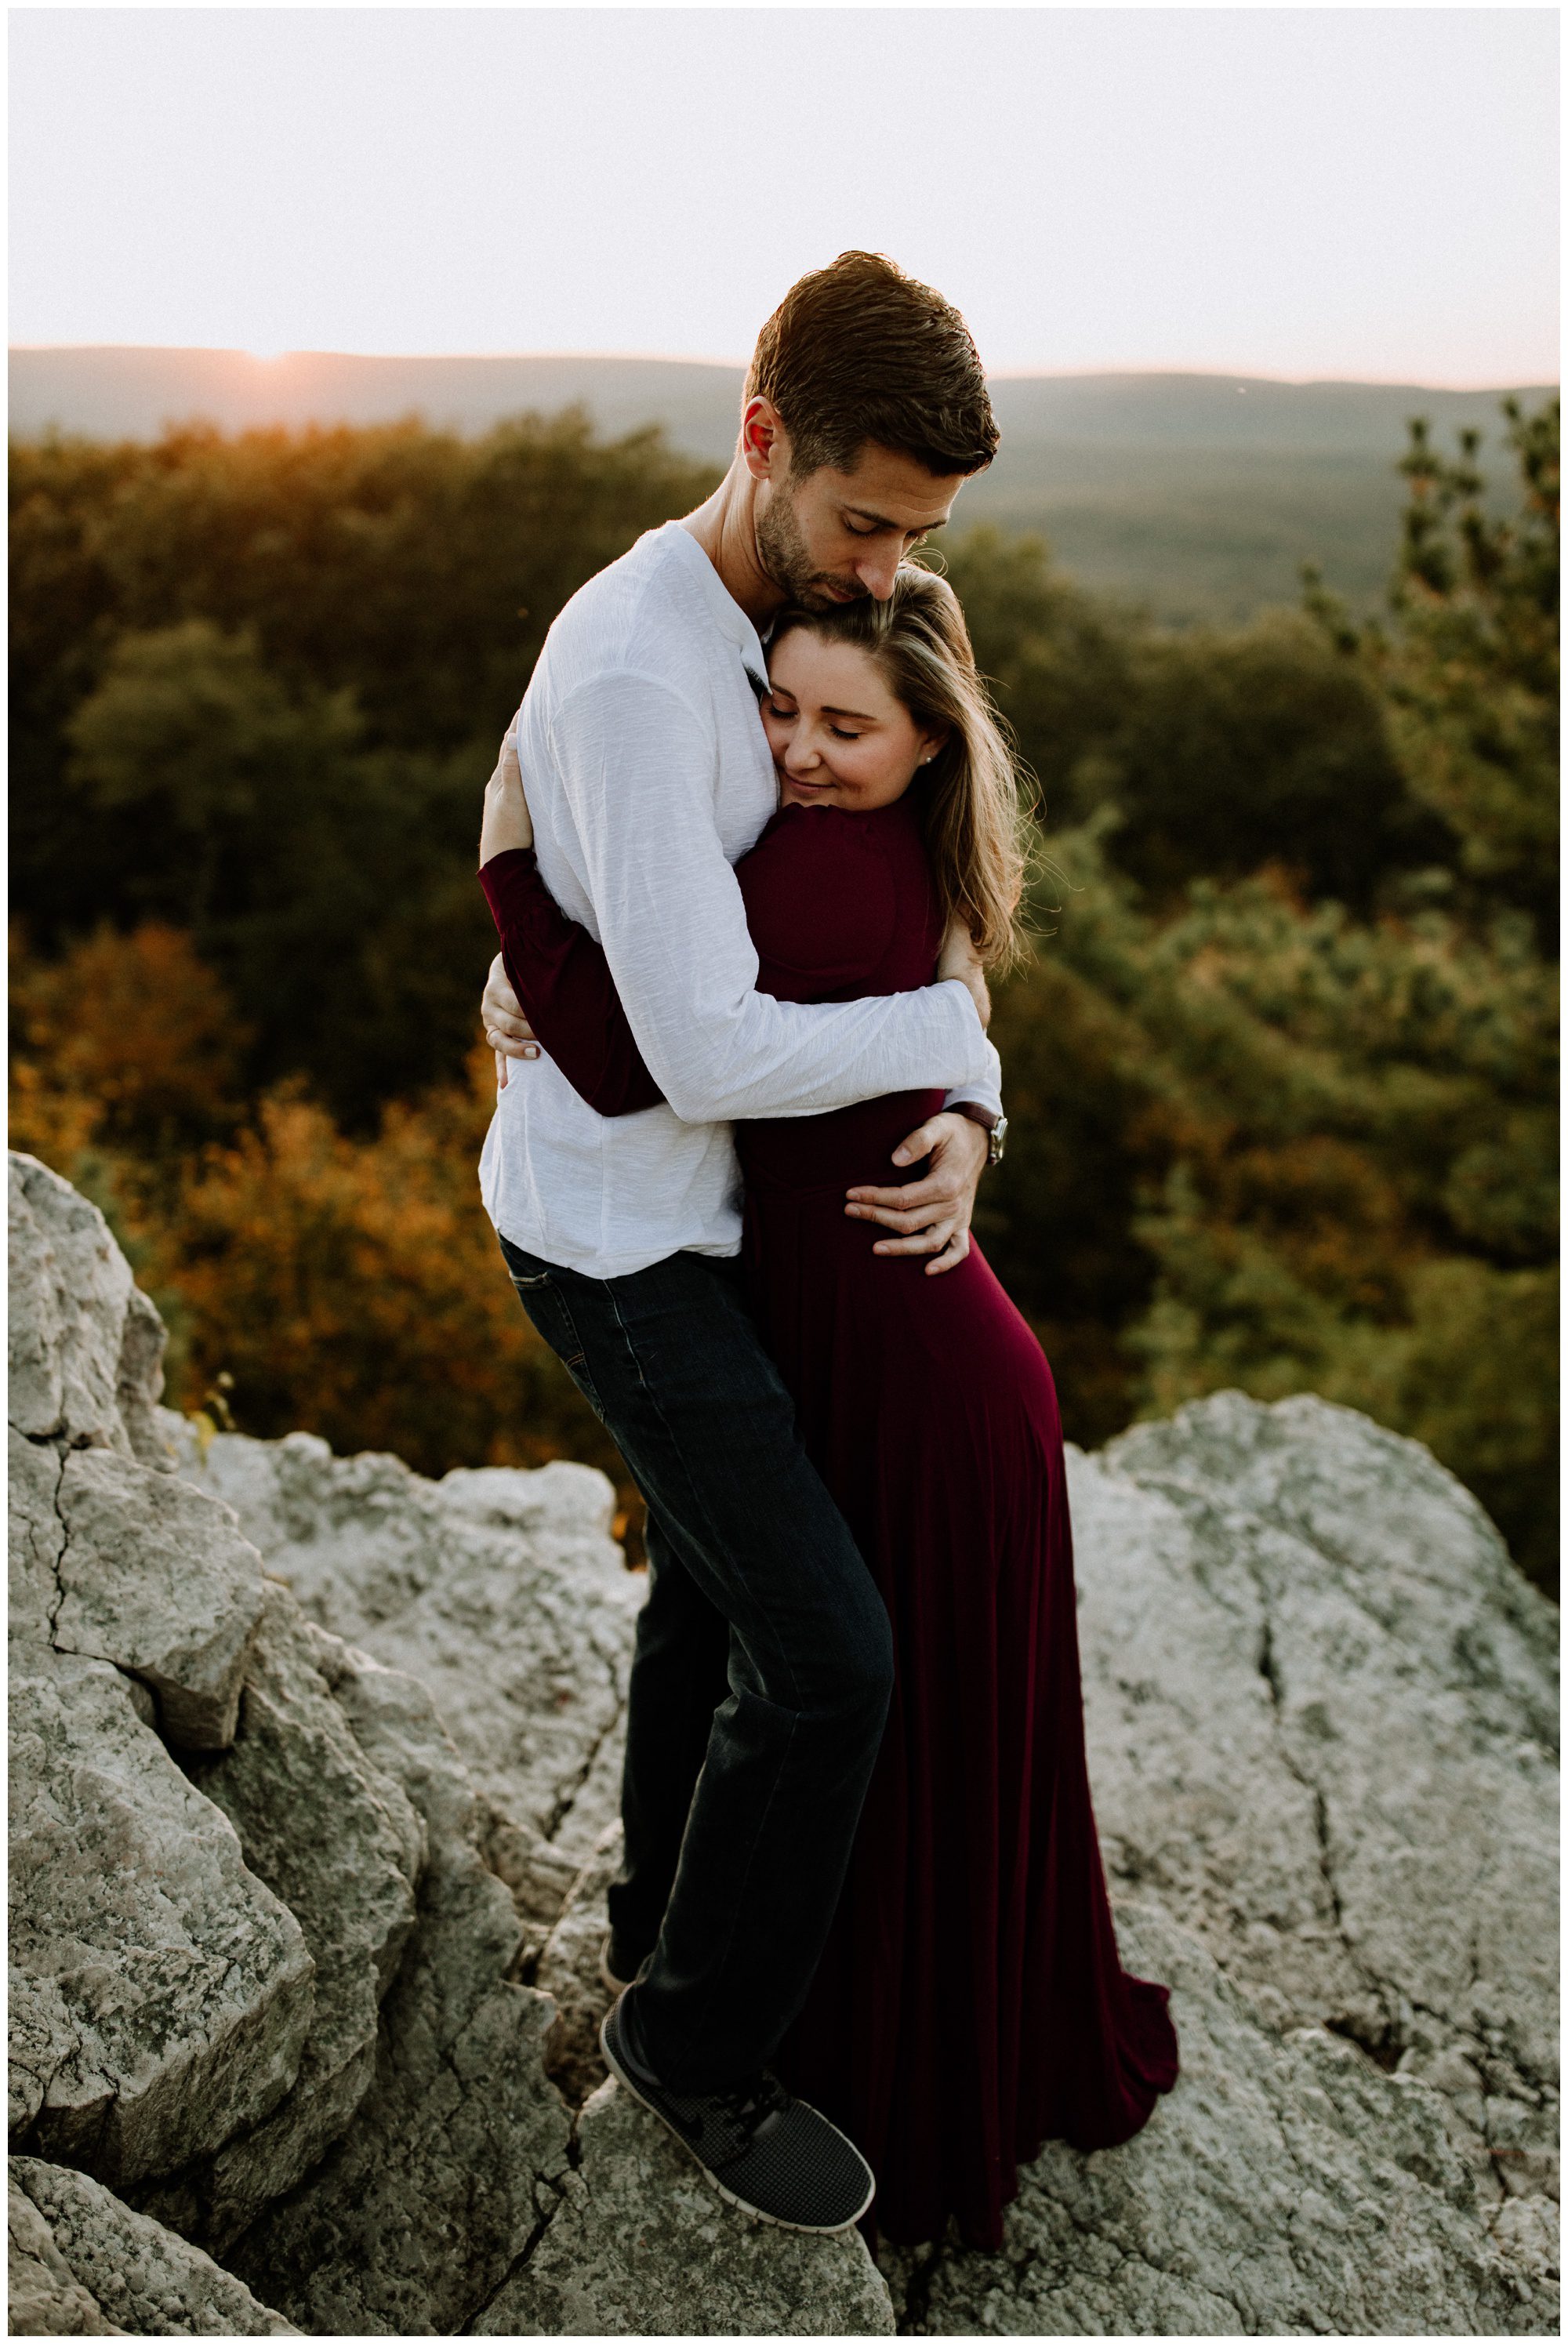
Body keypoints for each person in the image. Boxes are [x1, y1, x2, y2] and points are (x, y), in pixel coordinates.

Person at [479, 564, 1178, 2250]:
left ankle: (714, 2011)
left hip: (913, 1367)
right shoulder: (902, 859)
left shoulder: (810, 872)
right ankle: (712, 1955)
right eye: (778, 707)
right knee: (748, 1627)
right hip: (876, 1339)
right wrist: (964, 1073)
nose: (794, 747)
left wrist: (510, 878)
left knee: (813, 1656)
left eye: (844, 723)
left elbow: (652, 1045)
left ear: (932, 741)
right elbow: (913, 993)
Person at [474, 252, 1011, 2237]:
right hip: (622, 1241)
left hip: (722, 1220)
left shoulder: (792, 618)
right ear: (761, 439)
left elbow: (932, 858)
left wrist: (969, 1099)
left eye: (921, 533)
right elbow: (695, 1048)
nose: (885, 570)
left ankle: (650, 1930)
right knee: (829, 1652)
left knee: (706, 1609)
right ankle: (696, 2048)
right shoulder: (637, 664)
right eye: (866, 518)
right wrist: (943, 1042)